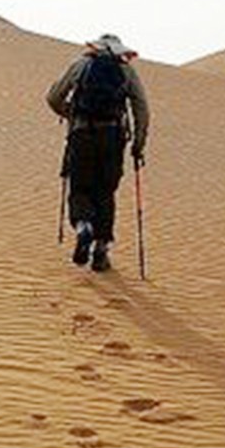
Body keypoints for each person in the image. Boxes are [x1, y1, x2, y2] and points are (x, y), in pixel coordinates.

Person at [46, 33, 150, 272]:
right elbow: (141, 108)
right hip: (113, 139)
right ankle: (101, 250)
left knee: (80, 187)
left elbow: (53, 97)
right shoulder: (126, 71)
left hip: (81, 135)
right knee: (105, 191)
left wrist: (71, 113)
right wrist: (138, 145)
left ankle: (83, 227)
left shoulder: (82, 64)